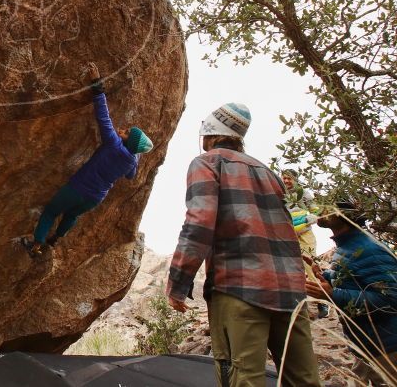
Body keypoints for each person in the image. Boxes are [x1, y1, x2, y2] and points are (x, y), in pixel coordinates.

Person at [166, 103, 321, 386]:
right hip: (290, 291)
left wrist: (179, 281)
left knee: (243, 376)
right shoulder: (267, 171)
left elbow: (199, 221)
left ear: (208, 135)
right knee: (304, 378)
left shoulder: (207, 162)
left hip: (238, 289)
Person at [23, 62, 153, 257]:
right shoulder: (131, 162)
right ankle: (55, 239)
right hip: (95, 198)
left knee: (51, 211)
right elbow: (131, 176)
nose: (122, 130)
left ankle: (36, 245)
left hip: (77, 188)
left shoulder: (113, 143)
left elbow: (103, 117)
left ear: (127, 142)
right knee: (72, 214)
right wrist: (136, 153)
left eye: (126, 133)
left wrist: (96, 83)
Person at [305, 200, 397, 386]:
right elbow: (356, 279)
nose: (319, 209)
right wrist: (324, 275)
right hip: (367, 344)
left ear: (344, 216)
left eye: (328, 207)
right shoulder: (350, 245)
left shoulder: (368, 249)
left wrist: (333, 295)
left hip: (387, 348)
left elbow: (391, 299)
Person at [281, 169, 328, 319]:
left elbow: (315, 210)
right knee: (293, 268)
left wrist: (311, 218)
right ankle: (301, 305)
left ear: (295, 179)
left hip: (306, 234)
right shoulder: (280, 194)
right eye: (284, 178)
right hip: (288, 234)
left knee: (311, 266)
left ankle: (323, 302)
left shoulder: (303, 193)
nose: (287, 181)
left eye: (289, 178)